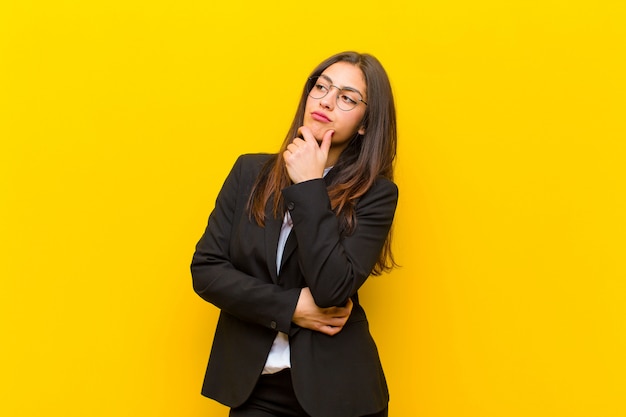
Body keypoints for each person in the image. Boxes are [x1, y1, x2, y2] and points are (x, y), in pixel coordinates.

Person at [191, 51, 398, 417]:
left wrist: (309, 186)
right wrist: (290, 309)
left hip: (341, 396)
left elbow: (332, 288)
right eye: (322, 87)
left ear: (365, 123)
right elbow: (207, 271)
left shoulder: (376, 194)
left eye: (347, 98)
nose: (327, 101)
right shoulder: (249, 172)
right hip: (256, 390)